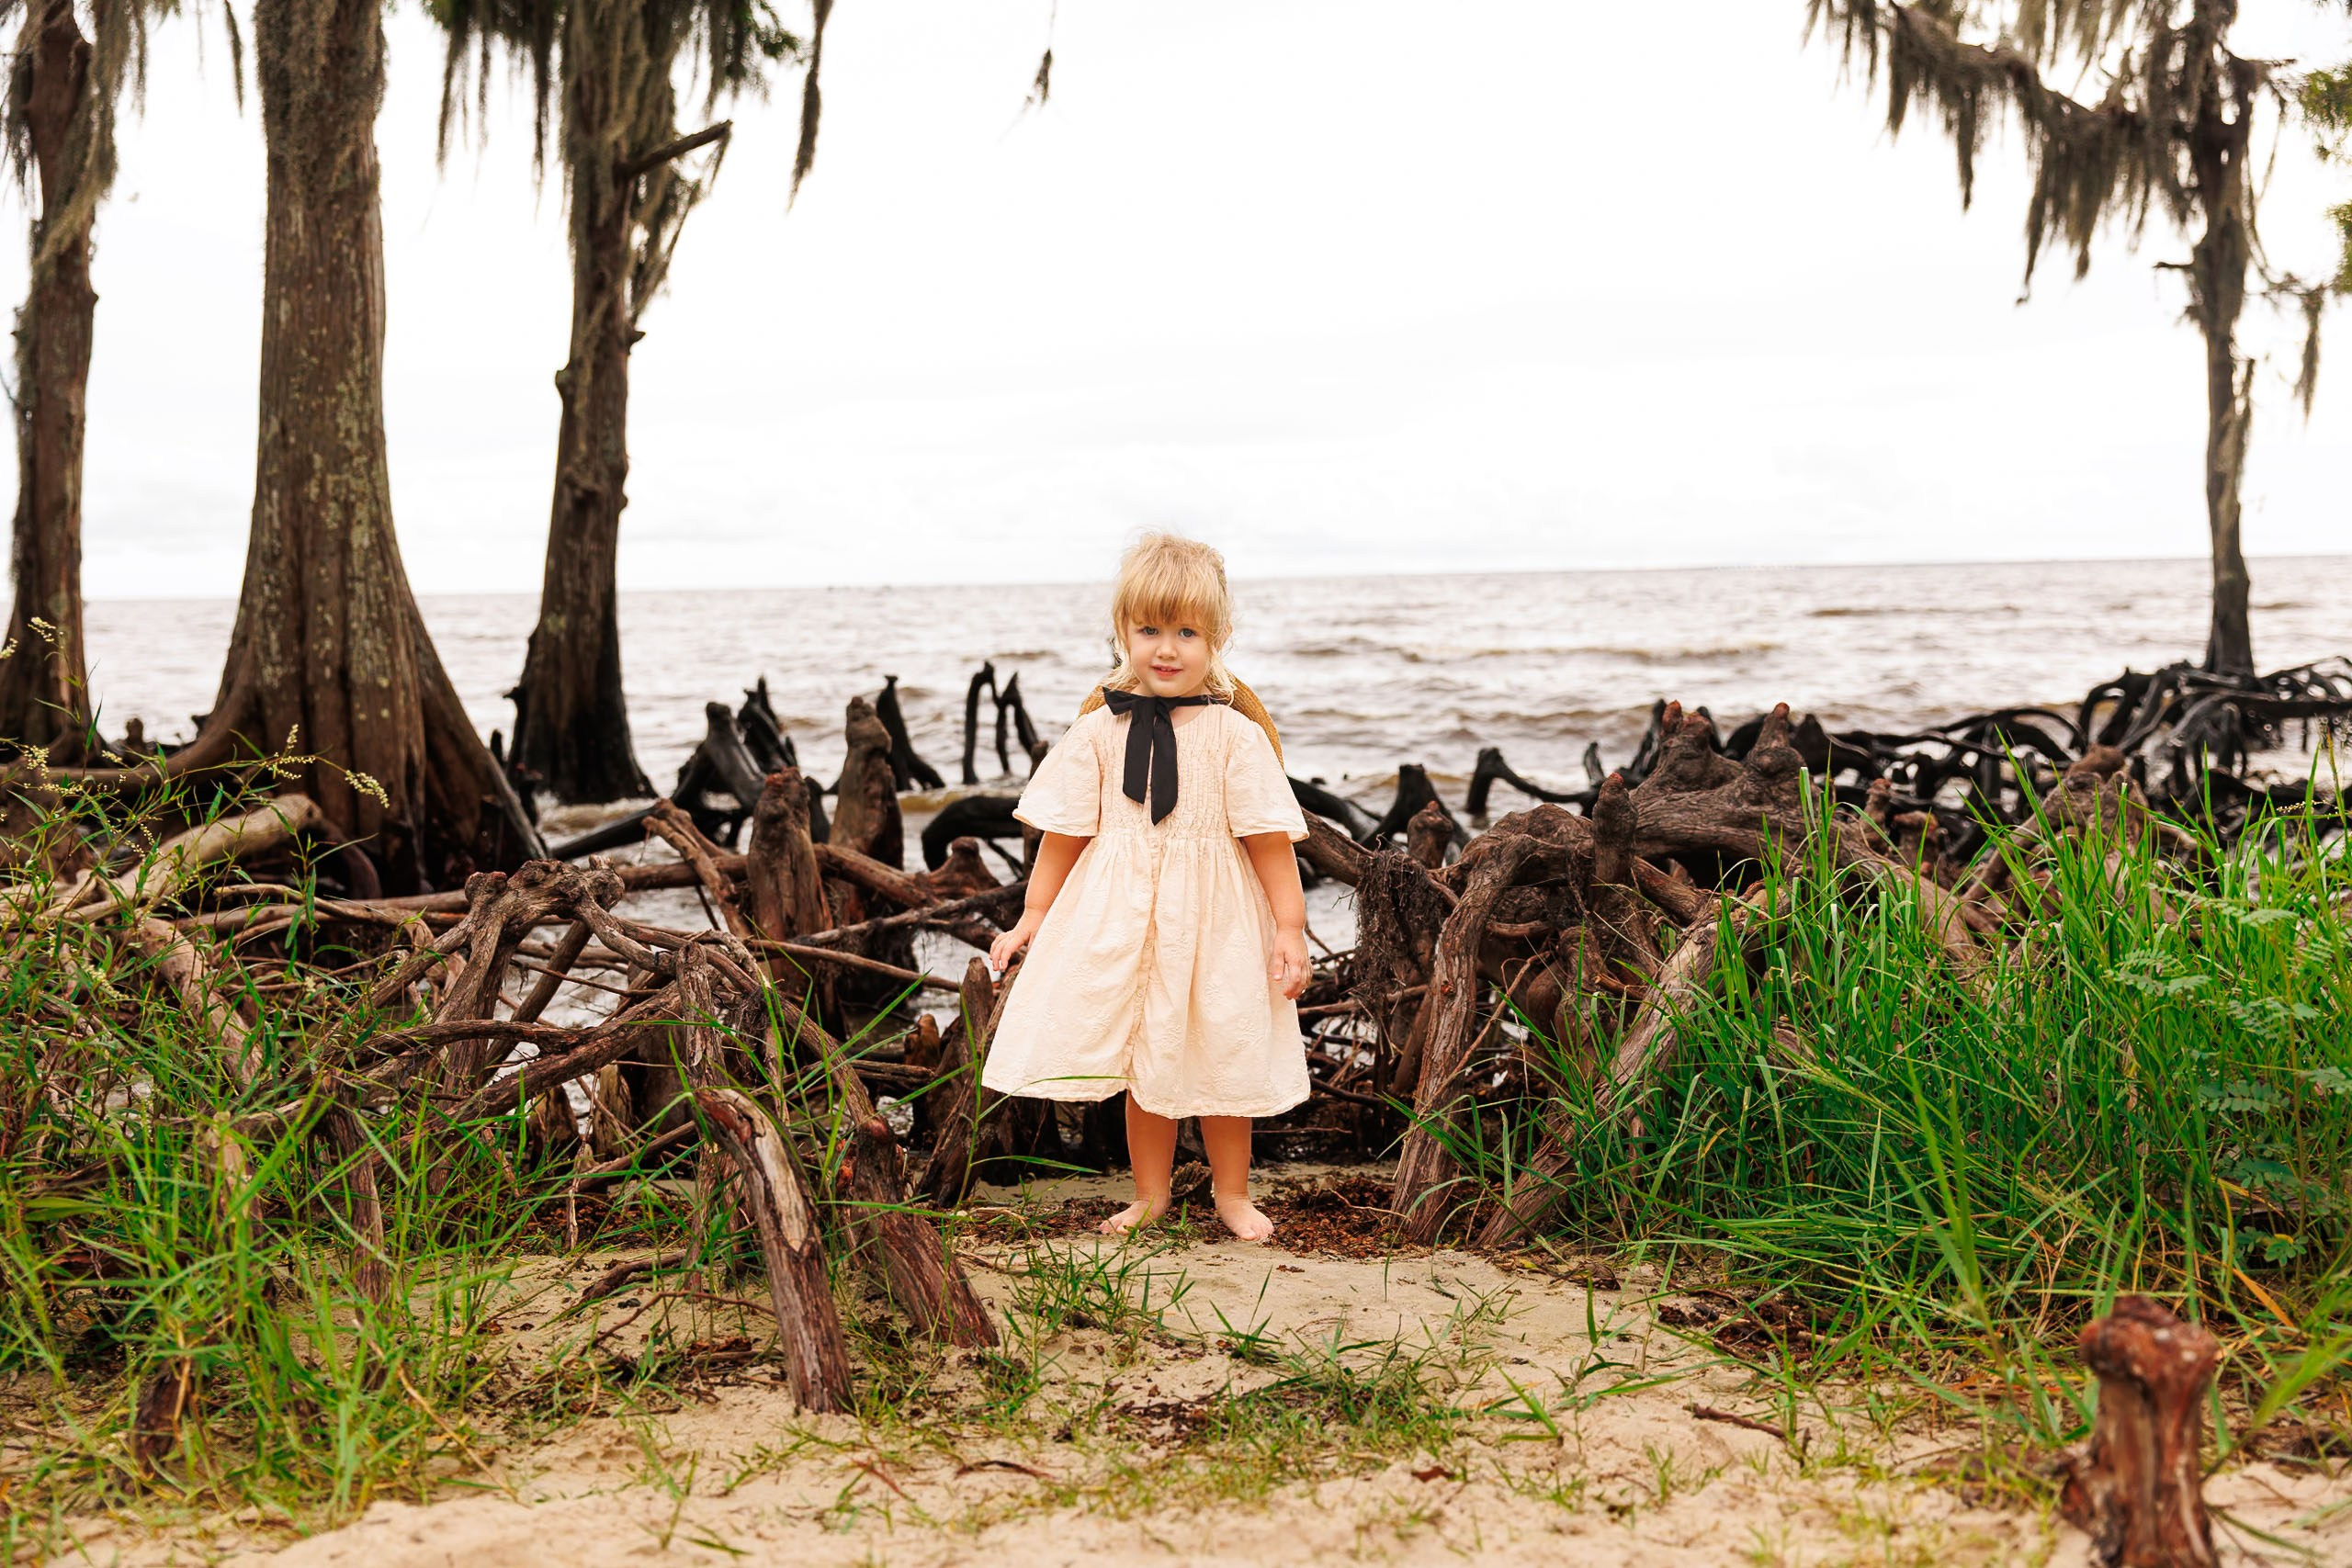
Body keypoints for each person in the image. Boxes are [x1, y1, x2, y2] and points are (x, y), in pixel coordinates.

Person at [982, 532, 1310, 1242]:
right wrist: (1032, 915)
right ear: (1122, 631)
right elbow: (1066, 831)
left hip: (1216, 918)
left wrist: (1288, 928)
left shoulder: (1233, 735)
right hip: (1124, 915)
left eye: (1187, 631)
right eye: (1149, 629)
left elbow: (1268, 840)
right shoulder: (1100, 730)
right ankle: (1151, 1194)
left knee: (1224, 1045)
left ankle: (1230, 1192)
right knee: (1144, 1058)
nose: (1167, 647)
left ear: (1216, 637)